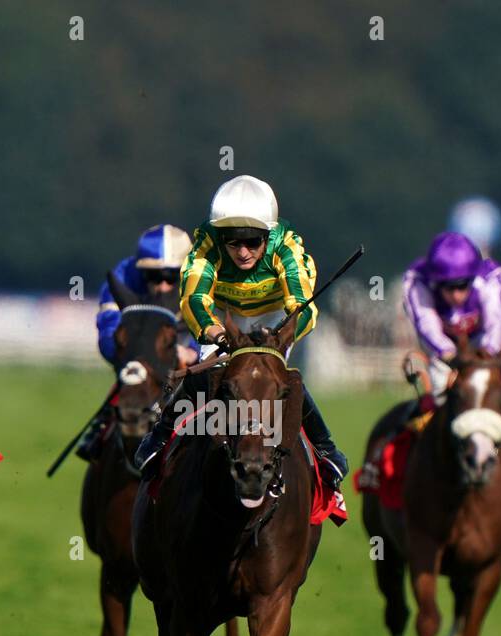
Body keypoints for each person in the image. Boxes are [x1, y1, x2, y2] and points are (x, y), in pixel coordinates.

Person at [132, 174, 347, 491]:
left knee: (280, 379)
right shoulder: (207, 244)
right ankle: (158, 438)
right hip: (225, 317)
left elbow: (302, 306)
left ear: (267, 235)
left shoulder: (287, 246)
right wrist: (217, 334)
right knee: (204, 378)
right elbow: (194, 299)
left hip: (273, 319)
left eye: (252, 241)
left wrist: (279, 336)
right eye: (233, 241)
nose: (243, 251)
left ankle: (327, 450)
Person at [401, 230, 501, 507]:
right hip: (443, 352)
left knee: (491, 394)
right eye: (448, 287)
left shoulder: (490, 279)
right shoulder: (416, 281)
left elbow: (496, 326)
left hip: (483, 350)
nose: (456, 294)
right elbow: (426, 324)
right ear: (435, 282)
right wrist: (450, 355)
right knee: (441, 396)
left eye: (462, 285)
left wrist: (480, 360)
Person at [76, 224, 197, 461]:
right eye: (153, 277)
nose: (163, 286)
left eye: (172, 277)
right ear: (140, 271)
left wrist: (192, 352)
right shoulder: (123, 277)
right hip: (139, 362)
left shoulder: (202, 279)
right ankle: (103, 430)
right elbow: (108, 338)